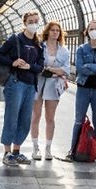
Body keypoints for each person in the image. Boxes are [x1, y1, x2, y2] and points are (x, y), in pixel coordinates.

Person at [0, 11, 44, 165]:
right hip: (15, 83)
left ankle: (17, 150)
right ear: (24, 23)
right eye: (30, 21)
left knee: (25, 119)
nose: (33, 24)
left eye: (36, 21)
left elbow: (40, 66)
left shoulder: (38, 44)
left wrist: (31, 66)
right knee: (12, 116)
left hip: (30, 85)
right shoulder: (15, 39)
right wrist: (12, 62)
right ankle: (7, 152)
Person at [66, 19, 96, 163]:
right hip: (83, 88)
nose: (94, 31)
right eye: (91, 29)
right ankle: (72, 151)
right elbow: (80, 69)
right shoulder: (81, 49)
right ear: (87, 31)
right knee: (78, 120)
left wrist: (89, 66)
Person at [30, 20, 70, 161]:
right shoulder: (40, 47)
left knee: (50, 118)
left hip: (53, 85)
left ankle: (48, 148)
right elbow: (36, 65)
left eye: (57, 30)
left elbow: (66, 70)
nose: (55, 32)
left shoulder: (64, 51)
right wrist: (55, 71)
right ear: (47, 32)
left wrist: (49, 70)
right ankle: (35, 147)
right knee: (36, 116)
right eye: (52, 30)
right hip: (38, 83)